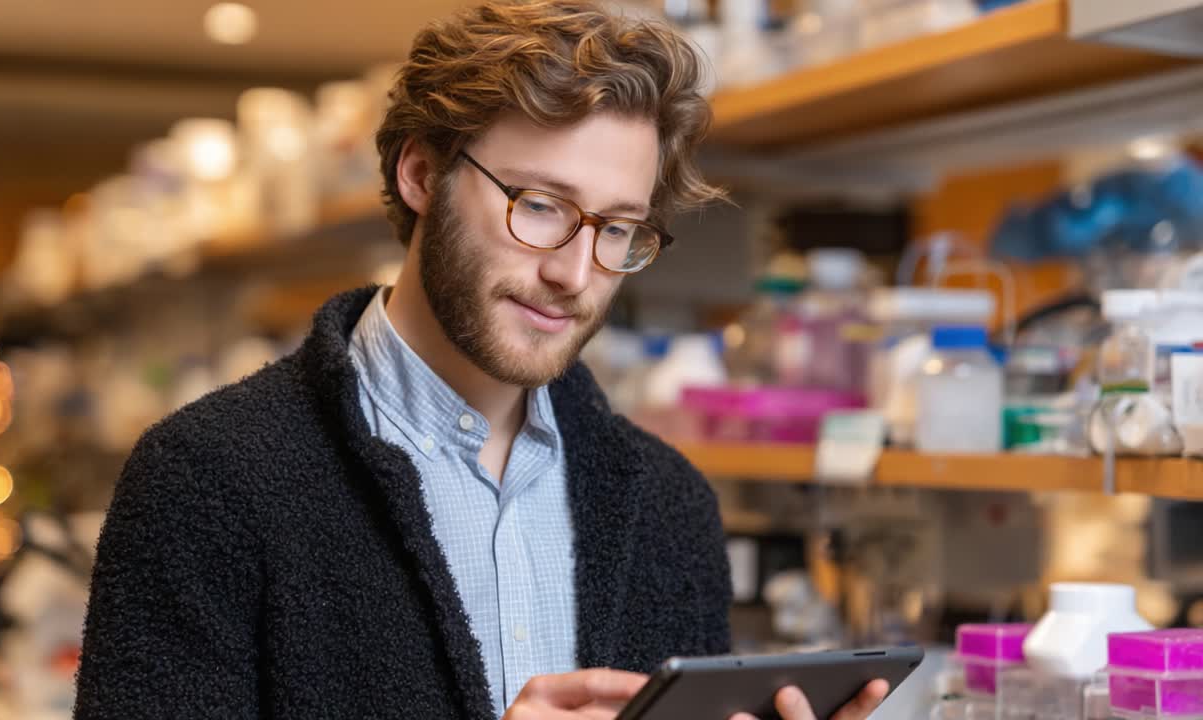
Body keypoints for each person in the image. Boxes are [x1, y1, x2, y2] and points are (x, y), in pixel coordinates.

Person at [73, 2, 889, 719]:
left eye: (615, 230)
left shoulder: (668, 507)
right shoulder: (208, 477)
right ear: (422, 173)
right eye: (539, 205)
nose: (574, 274)